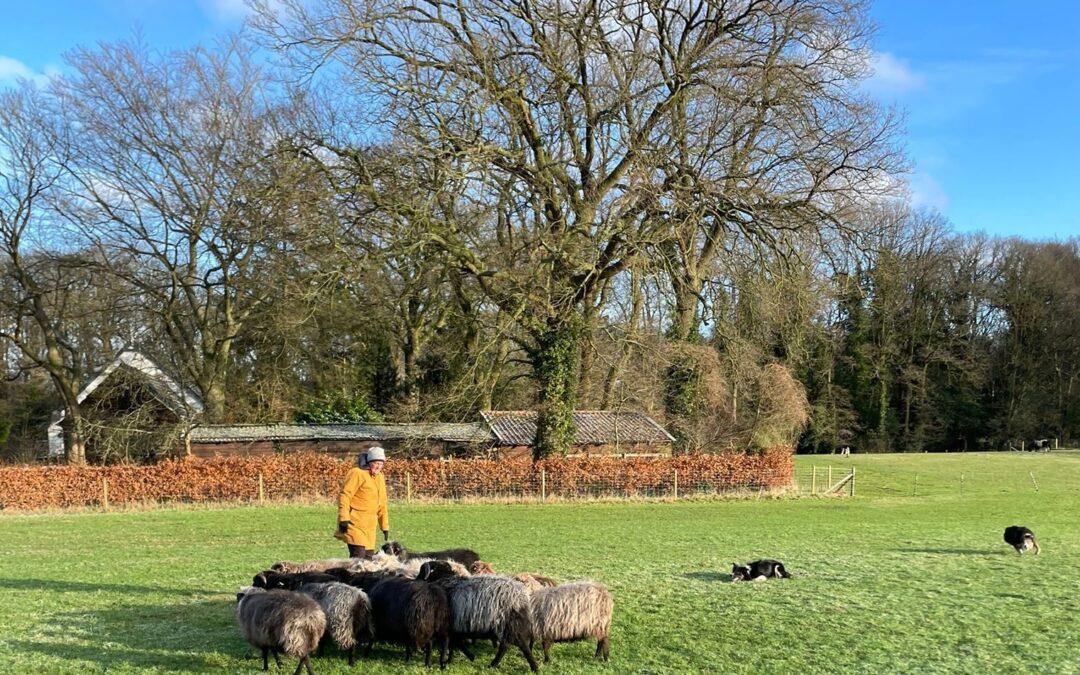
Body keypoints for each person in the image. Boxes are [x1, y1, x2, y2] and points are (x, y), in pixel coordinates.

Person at [336, 446, 390, 558]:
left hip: (370, 527)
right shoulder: (357, 473)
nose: (378, 466)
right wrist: (344, 518)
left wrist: (384, 526)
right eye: (376, 463)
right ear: (369, 462)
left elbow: (382, 504)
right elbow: (345, 495)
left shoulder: (380, 477)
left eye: (381, 463)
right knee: (358, 559)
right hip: (354, 523)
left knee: (369, 561)